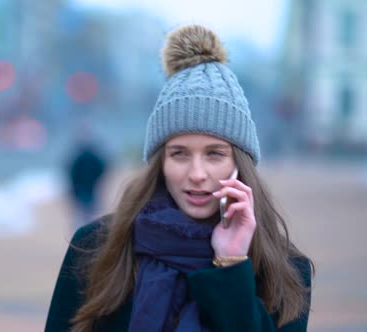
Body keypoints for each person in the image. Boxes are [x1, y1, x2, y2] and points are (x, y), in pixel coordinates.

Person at [46, 25, 313, 332]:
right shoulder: (94, 249)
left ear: (240, 164)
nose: (197, 174)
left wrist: (232, 265)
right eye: (179, 154)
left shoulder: (286, 270)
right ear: (160, 163)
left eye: (215, 154)